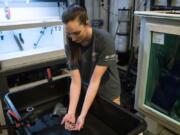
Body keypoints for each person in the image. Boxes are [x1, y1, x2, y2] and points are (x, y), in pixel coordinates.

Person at [61, 3, 121, 131]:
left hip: (108, 94)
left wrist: (82, 115)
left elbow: (95, 80)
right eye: (69, 34)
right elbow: (76, 81)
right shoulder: (70, 45)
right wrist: (71, 112)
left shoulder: (105, 40)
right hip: (88, 93)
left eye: (77, 33)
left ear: (87, 22)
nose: (73, 38)